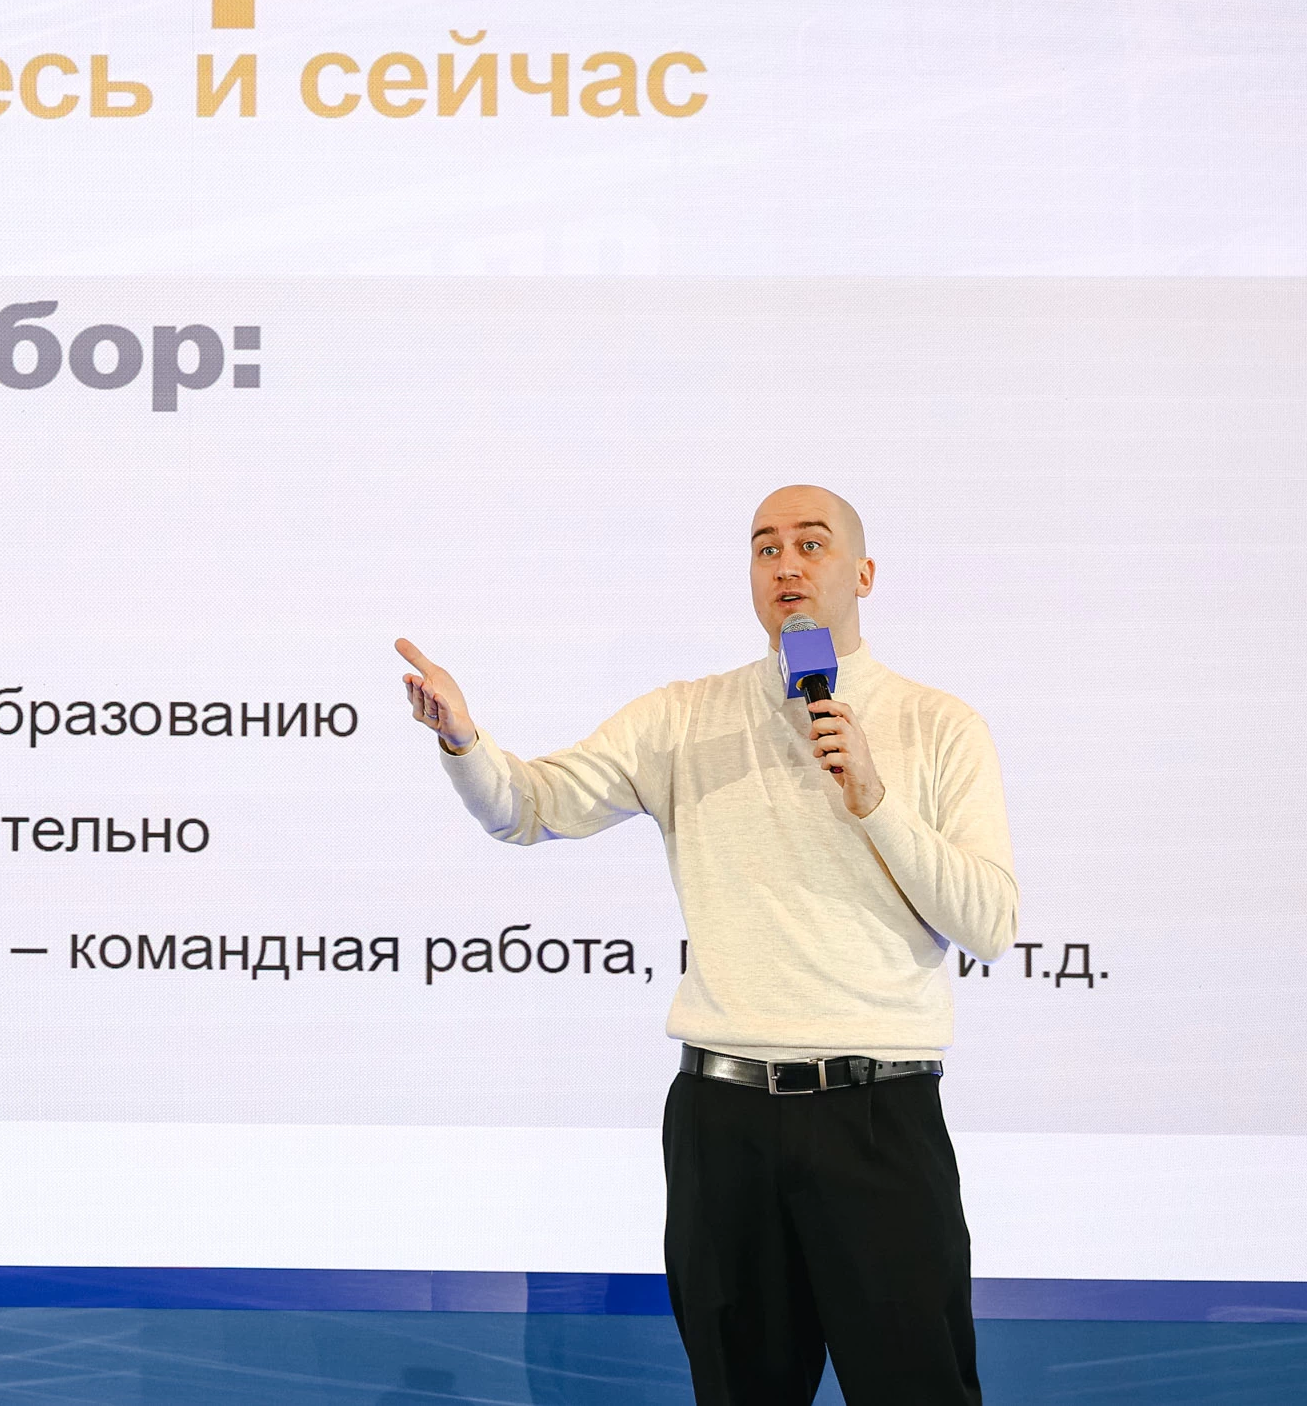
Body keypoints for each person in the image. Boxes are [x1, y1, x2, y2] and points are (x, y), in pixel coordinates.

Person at [397, 485, 1018, 1406]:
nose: (787, 565)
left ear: (864, 573)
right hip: (724, 1123)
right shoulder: (683, 717)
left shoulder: (940, 724)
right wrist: (463, 740)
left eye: (811, 543)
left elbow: (990, 921)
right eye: (766, 548)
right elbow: (529, 806)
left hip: (878, 1118)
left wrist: (876, 799)